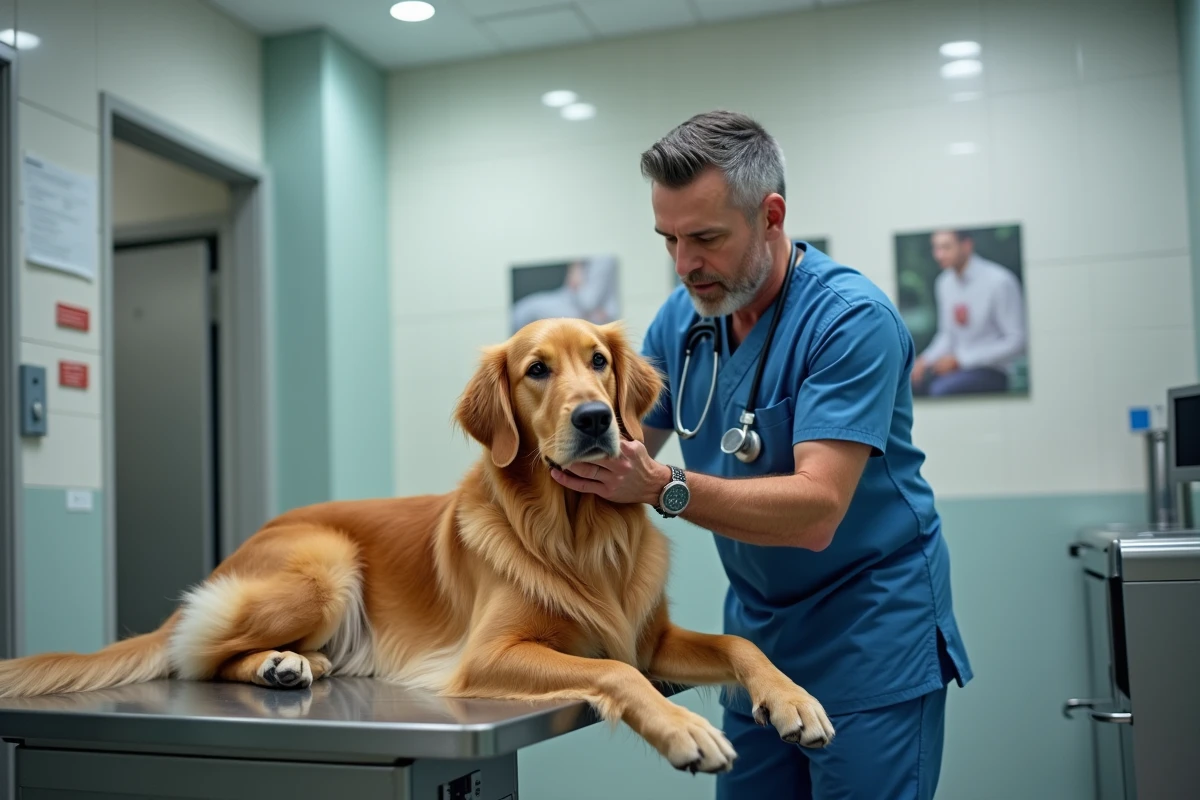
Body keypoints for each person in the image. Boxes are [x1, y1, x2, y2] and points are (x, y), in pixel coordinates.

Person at [548, 110, 972, 799]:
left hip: (870, 635)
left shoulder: (849, 320)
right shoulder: (682, 322)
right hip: (757, 643)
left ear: (770, 216)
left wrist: (662, 486)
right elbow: (614, 456)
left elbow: (817, 511)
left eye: (705, 238)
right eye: (669, 239)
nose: (685, 264)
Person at [911, 229, 1027, 397]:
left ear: (966, 246)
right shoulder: (944, 282)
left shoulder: (999, 281)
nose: (938, 255)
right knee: (911, 384)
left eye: (946, 247)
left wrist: (961, 360)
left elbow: (1016, 341)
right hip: (956, 370)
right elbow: (947, 336)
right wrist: (924, 360)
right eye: (936, 248)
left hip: (994, 370)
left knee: (940, 391)